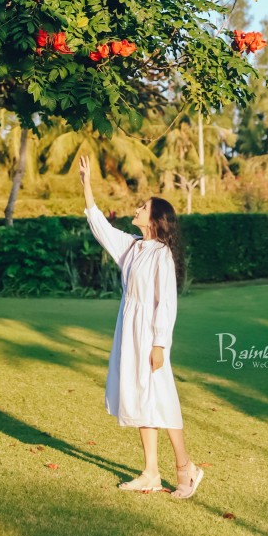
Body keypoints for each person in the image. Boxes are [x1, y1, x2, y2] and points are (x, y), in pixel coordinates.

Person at [79, 154, 204, 499]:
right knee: (140, 398)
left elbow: (167, 302)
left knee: (162, 398)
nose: (137, 208)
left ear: (154, 219)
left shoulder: (161, 254)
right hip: (128, 332)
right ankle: (150, 473)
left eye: (143, 206)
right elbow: (100, 225)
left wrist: (160, 344)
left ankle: (186, 469)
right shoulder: (132, 248)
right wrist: (87, 185)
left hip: (150, 335)